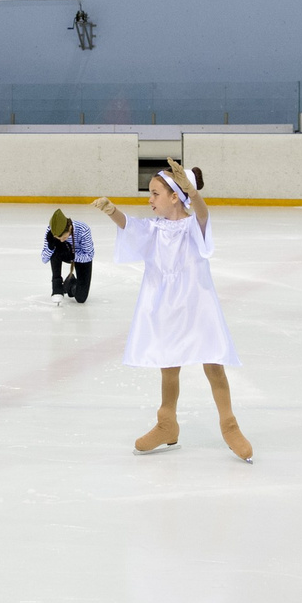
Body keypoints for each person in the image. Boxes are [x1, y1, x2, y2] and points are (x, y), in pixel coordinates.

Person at [92, 161, 249, 461]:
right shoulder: (154, 228)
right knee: (168, 365)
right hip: (166, 306)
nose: (149, 199)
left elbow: (202, 213)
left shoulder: (193, 225)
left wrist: (191, 190)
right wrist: (112, 211)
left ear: (175, 196)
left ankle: (229, 425)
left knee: (213, 364)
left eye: (154, 193)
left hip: (198, 305)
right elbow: (131, 226)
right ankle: (167, 423)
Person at [44, 209, 95, 303]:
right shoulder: (51, 230)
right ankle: (57, 287)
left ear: (70, 228)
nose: (62, 240)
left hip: (81, 257)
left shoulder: (83, 229)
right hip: (62, 254)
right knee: (55, 251)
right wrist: (50, 247)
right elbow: (44, 259)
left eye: (64, 237)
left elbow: (89, 255)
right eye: (59, 238)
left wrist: (73, 256)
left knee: (81, 298)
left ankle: (70, 284)